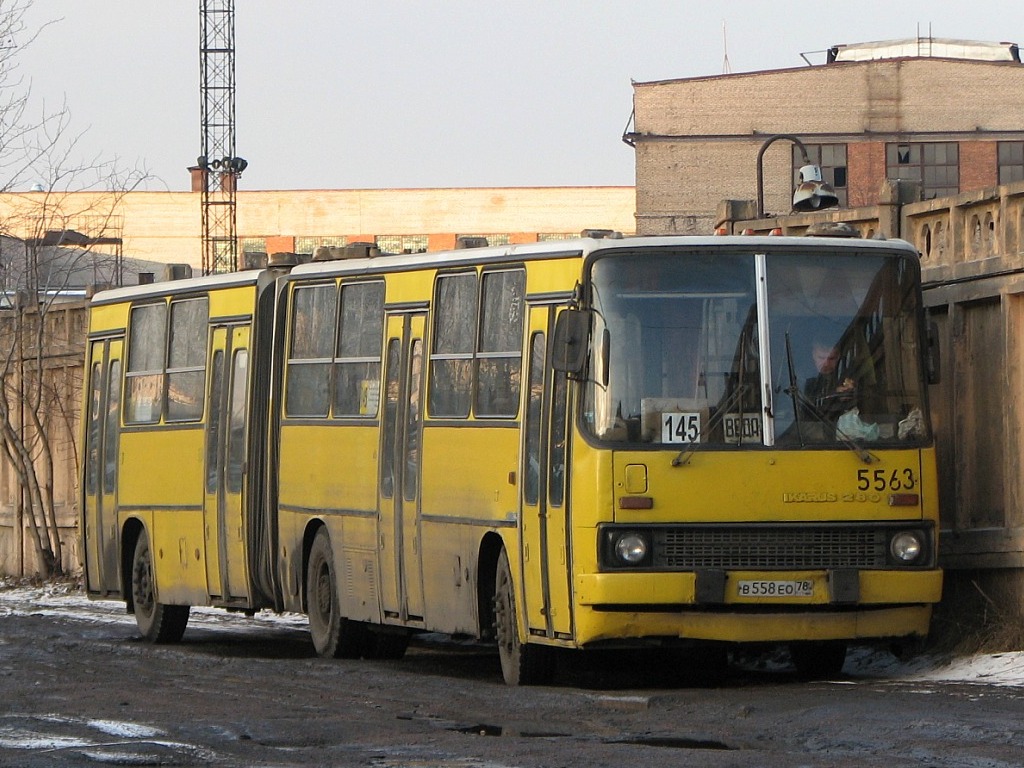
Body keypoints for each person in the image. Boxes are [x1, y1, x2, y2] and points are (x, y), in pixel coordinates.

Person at [803, 341, 857, 419]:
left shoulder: (848, 374)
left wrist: (851, 393)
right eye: (821, 358)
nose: (826, 363)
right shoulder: (801, 377)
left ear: (838, 356)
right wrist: (834, 395)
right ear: (813, 355)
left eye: (831, 358)